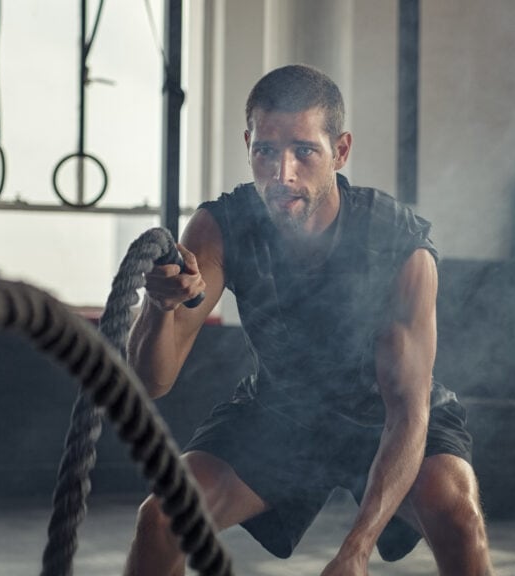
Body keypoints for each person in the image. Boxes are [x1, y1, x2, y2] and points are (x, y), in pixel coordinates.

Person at [123, 64, 492, 576]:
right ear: (248, 144)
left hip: (382, 416)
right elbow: (151, 382)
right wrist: (160, 309)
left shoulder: (398, 244)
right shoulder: (220, 227)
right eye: (267, 152)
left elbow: (407, 412)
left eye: (304, 151)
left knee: (457, 512)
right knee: (163, 519)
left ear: (340, 151)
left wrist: (356, 549)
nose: (283, 175)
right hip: (283, 411)